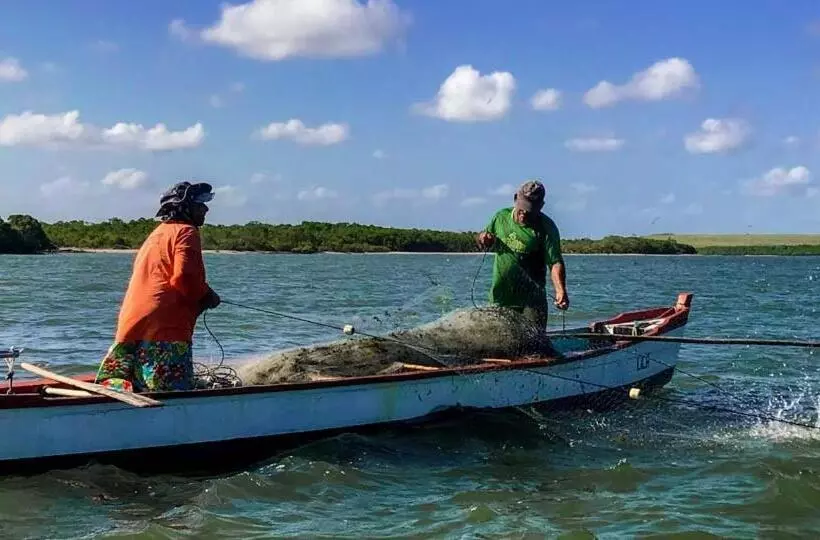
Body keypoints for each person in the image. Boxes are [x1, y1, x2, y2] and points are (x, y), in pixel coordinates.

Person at [95, 181, 221, 393]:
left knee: (125, 384)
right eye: (200, 203)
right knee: (170, 390)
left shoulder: (157, 233)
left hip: (133, 320)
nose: (206, 209)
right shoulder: (187, 231)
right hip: (165, 325)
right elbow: (184, 278)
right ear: (184, 207)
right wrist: (208, 295)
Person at [476, 179, 569, 328]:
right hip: (500, 297)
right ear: (515, 199)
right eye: (521, 209)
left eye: (530, 210)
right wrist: (483, 238)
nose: (524, 215)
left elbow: (555, 262)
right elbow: (483, 241)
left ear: (541, 207)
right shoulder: (500, 217)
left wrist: (560, 291)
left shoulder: (546, 227)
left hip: (531, 302)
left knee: (533, 346)